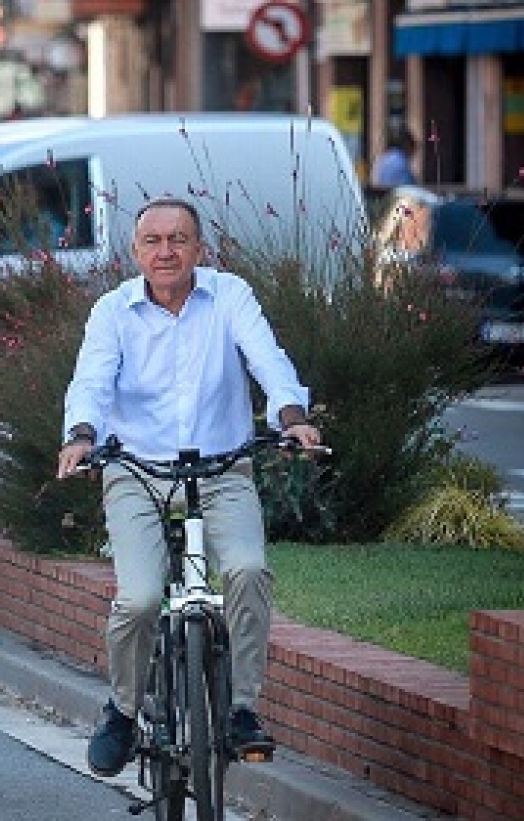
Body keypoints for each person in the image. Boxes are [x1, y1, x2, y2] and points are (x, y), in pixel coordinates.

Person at [55, 197, 323, 778]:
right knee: (141, 598)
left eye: (179, 239)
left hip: (223, 468)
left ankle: (243, 708)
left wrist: (291, 416)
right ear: (135, 252)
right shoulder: (112, 311)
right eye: (153, 241)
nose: (166, 251)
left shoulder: (230, 296)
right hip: (137, 473)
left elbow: (268, 361)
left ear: (201, 249)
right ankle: (123, 710)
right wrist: (81, 436)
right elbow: (92, 383)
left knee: (249, 571)